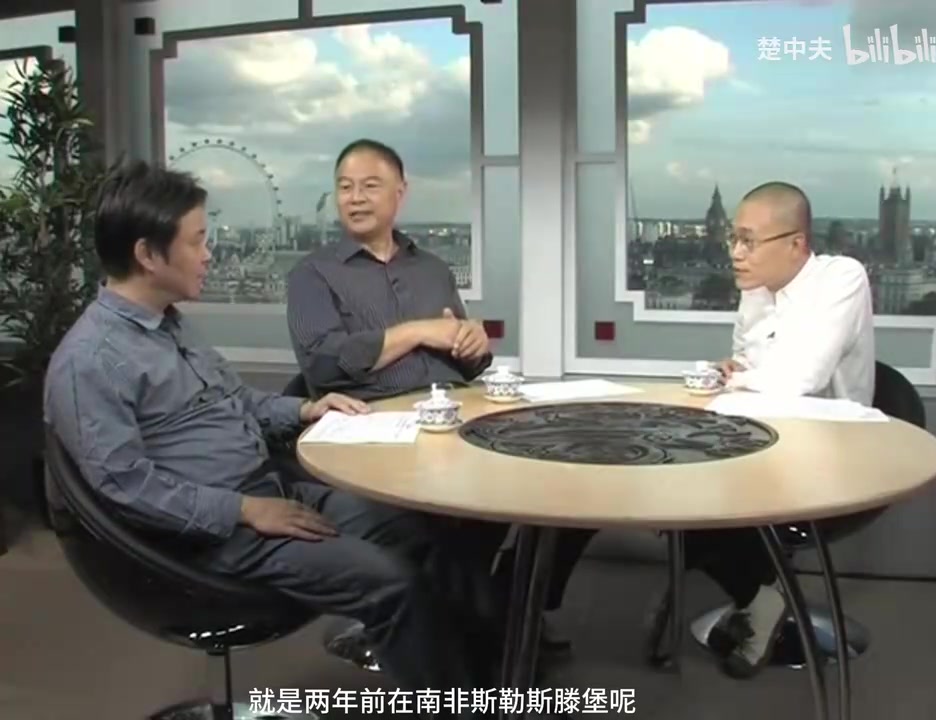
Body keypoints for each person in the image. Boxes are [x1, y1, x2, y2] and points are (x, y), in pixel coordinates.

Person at [43, 160, 503, 702]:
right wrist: (244, 510)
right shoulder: (91, 360)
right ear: (148, 254)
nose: (210, 254)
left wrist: (307, 410)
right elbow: (124, 486)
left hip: (269, 491)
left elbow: (236, 402)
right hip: (214, 537)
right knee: (392, 585)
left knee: (427, 531)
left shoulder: (169, 324)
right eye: (198, 240)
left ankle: (487, 683)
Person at [286, 138, 596, 655]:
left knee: (563, 482)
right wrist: (415, 332)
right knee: (454, 516)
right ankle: (493, 634)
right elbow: (322, 363)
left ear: (400, 193)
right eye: (345, 187)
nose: (355, 198)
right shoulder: (312, 275)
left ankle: (506, 607)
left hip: (457, 417)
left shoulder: (431, 269)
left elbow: (464, 359)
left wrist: (474, 344)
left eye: (369, 186)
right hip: (374, 429)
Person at [647, 181, 875, 679]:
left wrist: (742, 377)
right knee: (667, 487)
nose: (735, 253)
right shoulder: (755, 292)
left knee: (698, 500)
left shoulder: (842, 277)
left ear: (796, 244)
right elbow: (749, 367)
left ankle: (761, 600)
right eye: (734, 238)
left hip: (831, 457)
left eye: (748, 241)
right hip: (762, 443)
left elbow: (799, 380)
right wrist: (737, 371)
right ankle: (762, 599)